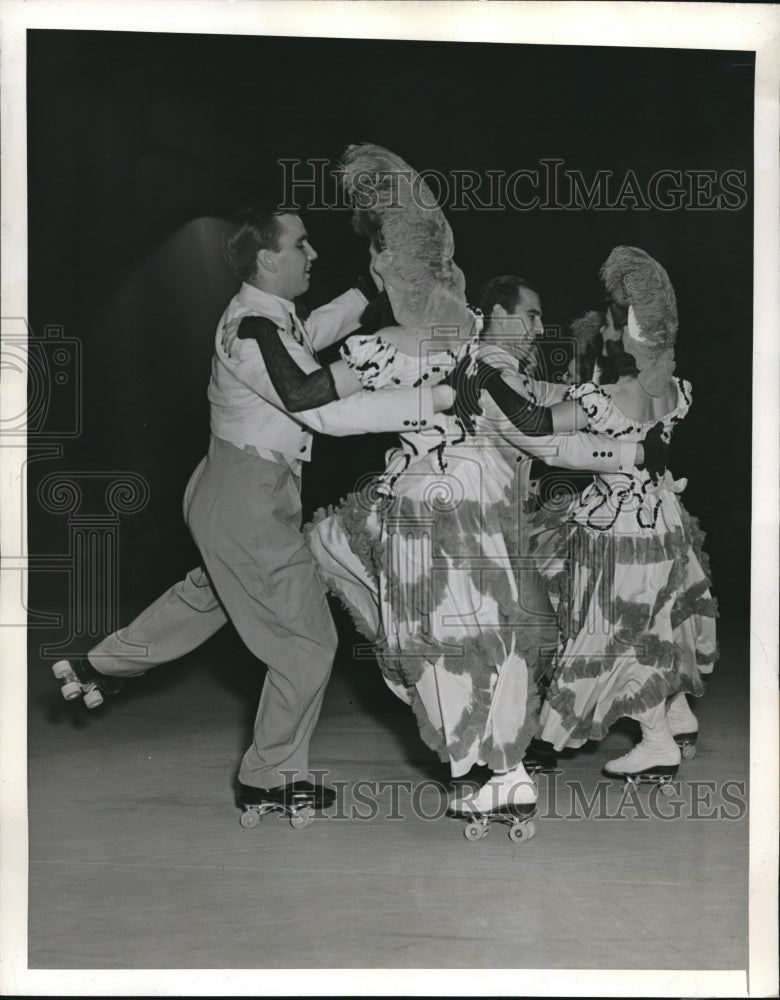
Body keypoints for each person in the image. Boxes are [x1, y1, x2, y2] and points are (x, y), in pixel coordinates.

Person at [241, 146, 672, 819]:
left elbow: (318, 409)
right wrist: (617, 429)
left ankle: (481, 771)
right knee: (491, 635)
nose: (376, 268)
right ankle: (500, 772)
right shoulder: (473, 335)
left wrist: (271, 345)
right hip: (486, 504)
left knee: (434, 637)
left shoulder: (393, 343)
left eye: (382, 258)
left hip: (430, 506)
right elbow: (531, 420)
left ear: (395, 264)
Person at [53, 202, 455, 813]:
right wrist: (415, 391)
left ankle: (102, 662)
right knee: (307, 642)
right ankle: (269, 776)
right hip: (245, 495)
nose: (312, 253)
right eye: (302, 244)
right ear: (268, 258)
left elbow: (308, 336)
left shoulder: (270, 318)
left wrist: (368, 287)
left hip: (233, 489)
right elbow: (310, 397)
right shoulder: (252, 329)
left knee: (214, 592)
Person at [466, 246, 717, 781]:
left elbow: (536, 425)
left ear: (630, 332)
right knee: (651, 625)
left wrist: (487, 381)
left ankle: (599, 738)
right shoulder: (675, 391)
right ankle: (669, 720)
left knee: (607, 633)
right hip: (661, 520)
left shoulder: (612, 397)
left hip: (616, 529)